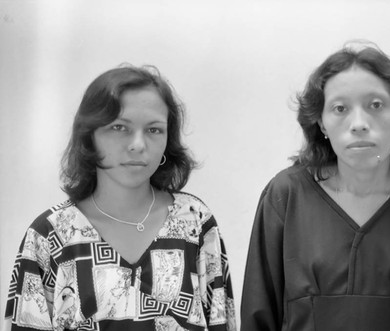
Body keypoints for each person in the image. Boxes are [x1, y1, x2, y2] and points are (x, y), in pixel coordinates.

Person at [240, 44, 390, 330]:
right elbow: (258, 318)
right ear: (322, 124)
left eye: (375, 105)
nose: (359, 124)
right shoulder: (285, 197)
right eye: (340, 108)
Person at [4, 65, 236, 331]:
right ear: (89, 136)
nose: (138, 144)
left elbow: (222, 322)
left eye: (154, 130)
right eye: (119, 127)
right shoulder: (51, 235)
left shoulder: (195, 222)